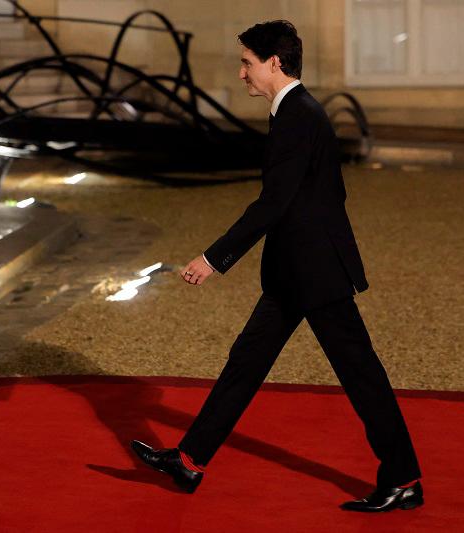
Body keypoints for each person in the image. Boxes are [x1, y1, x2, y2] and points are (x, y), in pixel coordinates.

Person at [130, 20, 423, 513]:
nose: (241, 73)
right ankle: (190, 459)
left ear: (274, 63)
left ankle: (404, 479)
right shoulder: (292, 113)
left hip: (316, 273)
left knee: (360, 375)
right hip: (295, 271)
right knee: (245, 362)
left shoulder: (299, 117)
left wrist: (212, 259)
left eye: (247, 62)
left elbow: (273, 204)